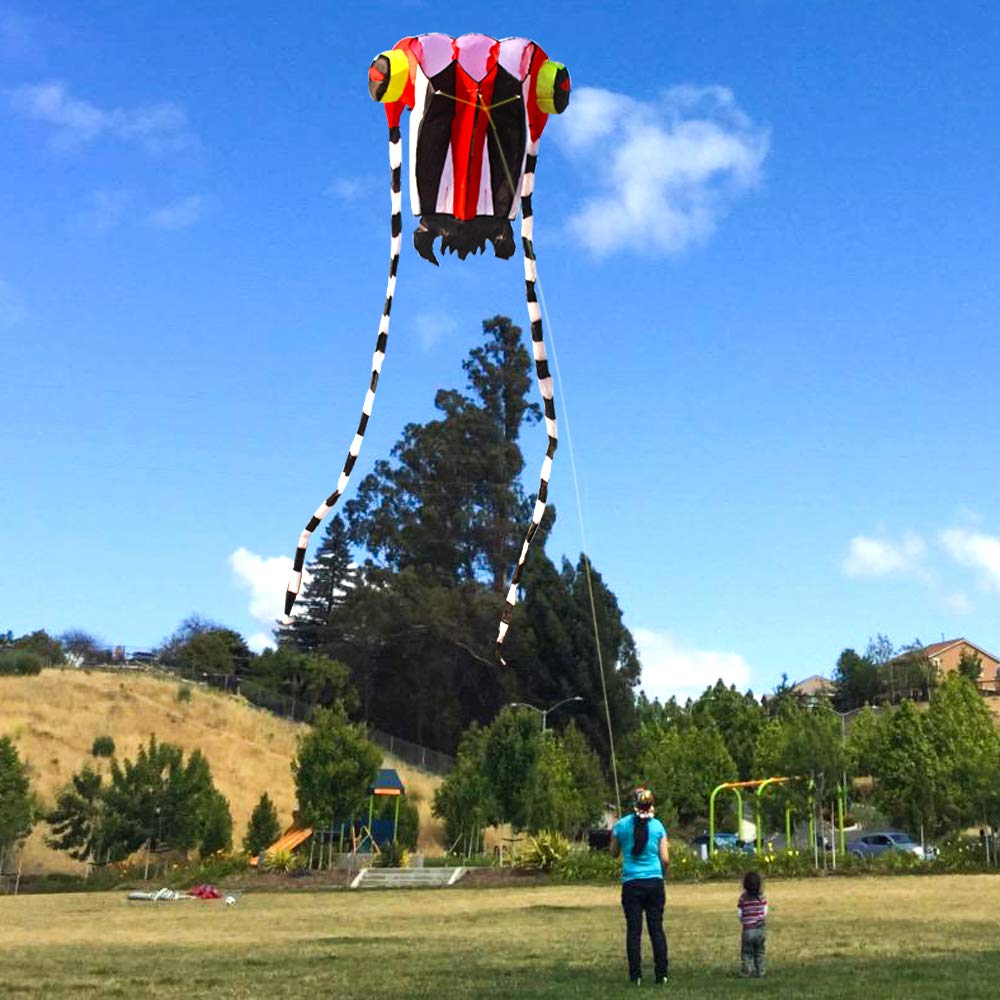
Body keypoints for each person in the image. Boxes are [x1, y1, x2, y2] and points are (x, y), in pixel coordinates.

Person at [610, 786, 670, 986]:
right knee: (656, 930)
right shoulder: (658, 827)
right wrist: (664, 875)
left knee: (634, 931)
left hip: (631, 883)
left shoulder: (621, 826)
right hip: (654, 882)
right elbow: (665, 859)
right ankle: (661, 974)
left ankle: (635, 976)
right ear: (651, 806)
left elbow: (613, 853)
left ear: (634, 805)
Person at [736, 870, 768, 978]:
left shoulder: (743, 898)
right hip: (760, 929)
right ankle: (761, 971)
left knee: (746, 953)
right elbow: (765, 911)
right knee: (760, 952)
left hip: (748, 930)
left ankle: (746, 971)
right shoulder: (761, 897)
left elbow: (740, 913)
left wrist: (744, 921)